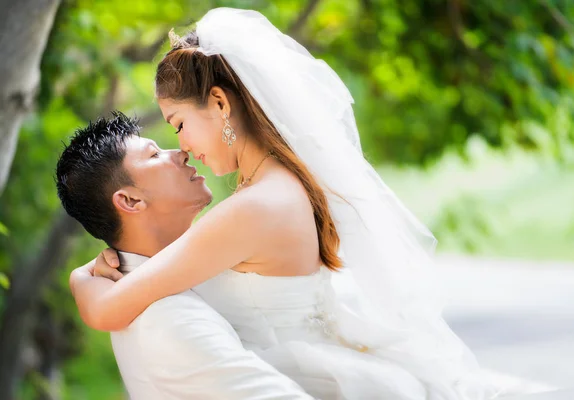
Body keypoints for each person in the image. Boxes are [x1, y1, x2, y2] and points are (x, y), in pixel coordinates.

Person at [68, 8, 540, 399]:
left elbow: (107, 311)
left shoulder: (251, 208)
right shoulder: (276, 184)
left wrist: (81, 278)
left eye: (178, 124)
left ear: (219, 103)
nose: (183, 146)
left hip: (301, 377)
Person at [57, 113, 313, 399]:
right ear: (130, 200)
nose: (181, 152)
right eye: (154, 154)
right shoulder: (171, 321)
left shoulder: (150, 284)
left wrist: (81, 277)